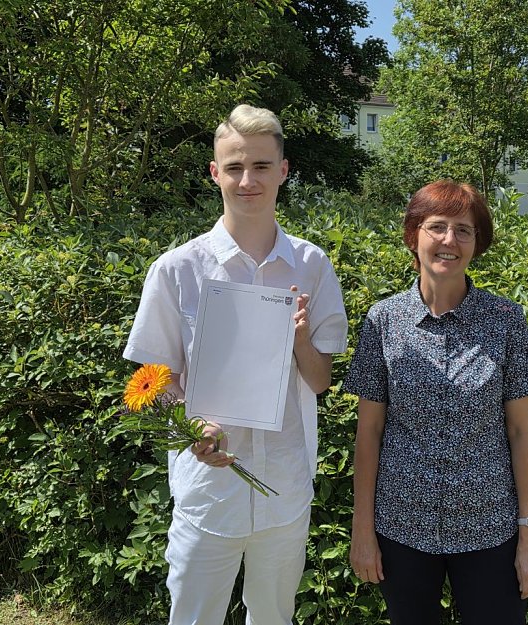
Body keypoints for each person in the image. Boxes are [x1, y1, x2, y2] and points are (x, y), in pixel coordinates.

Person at [123, 104, 348, 625]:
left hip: (285, 486)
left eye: (262, 167)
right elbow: (154, 383)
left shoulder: (312, 266)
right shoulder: (177, 269)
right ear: (214, 173)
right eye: (235, 167)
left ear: (284, 171)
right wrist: (191, 425)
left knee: (273, 619)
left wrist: (297, 341)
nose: (248, 180)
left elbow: (320, 381)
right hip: (207, 491)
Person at [343, 179, 528, 625]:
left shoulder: (507, 320)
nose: (449, 241)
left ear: (477, 243)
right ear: (414, 235)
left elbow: (522, 432)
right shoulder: (383, 320)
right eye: (437, 226)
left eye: (464, 230)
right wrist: (363, 531)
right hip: (402, 528)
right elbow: (369, 433)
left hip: (489, 526)